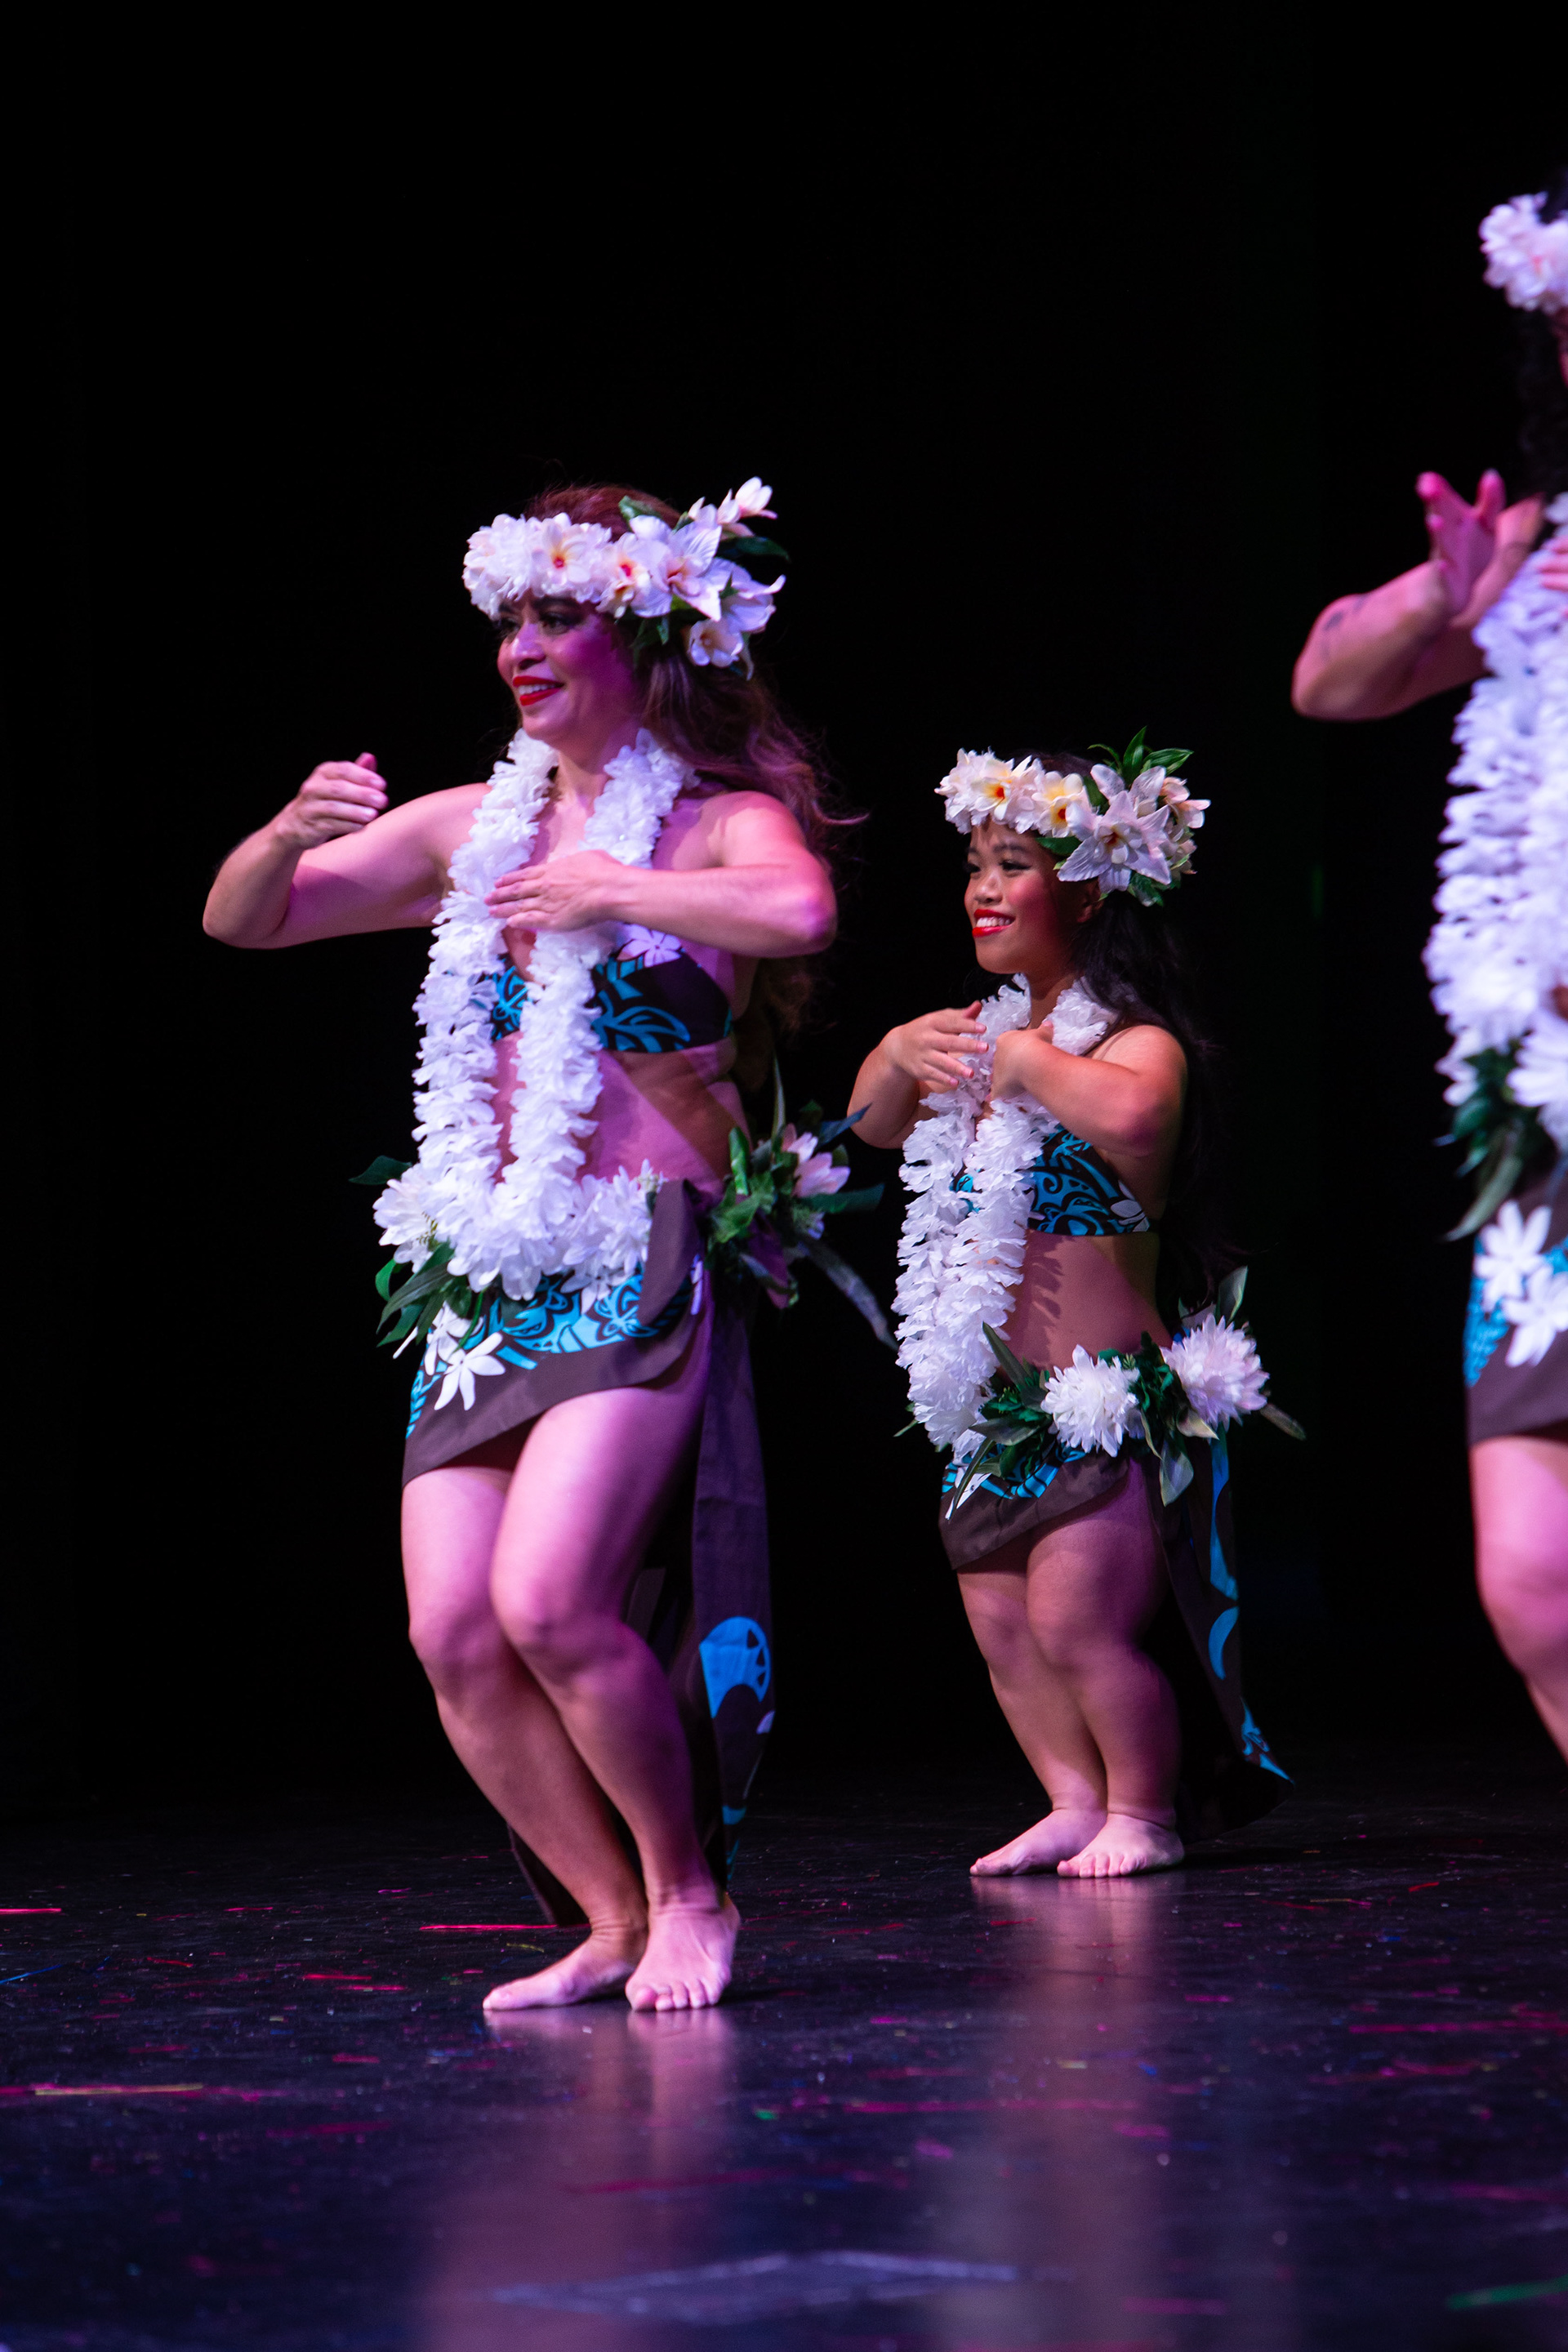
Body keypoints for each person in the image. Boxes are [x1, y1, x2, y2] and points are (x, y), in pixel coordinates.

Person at [204, 479, 837, 2009]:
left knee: (550, 1601)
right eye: (511, 619)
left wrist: (617, 885)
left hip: (638, 1252)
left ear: (647, 639)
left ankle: (690, 1896)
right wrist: (285, 833)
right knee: (453, 1630)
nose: (521, 647)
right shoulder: (466, 829)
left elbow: (800, 911)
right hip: (492, 1272)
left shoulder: (714, 817)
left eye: (559, 616)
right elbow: (246, 921)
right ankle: (609, 1919)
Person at [850, 743, 1291, 1879]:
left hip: (1105, 1402)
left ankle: (1143, 1811)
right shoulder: (978, 1032)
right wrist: (898, 1052)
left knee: (1077, 1623)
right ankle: (1070, 1797)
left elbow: (1136, 1119)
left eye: (1013, 865)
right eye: (975, 867)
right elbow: (873, 1124)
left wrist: (1029, 1062)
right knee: (1005, 1630)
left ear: (1088, 892)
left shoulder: (1136, 1042)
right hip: (995, 1415)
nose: (983, 890)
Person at [1292, 182, 1568, 1757]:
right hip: (1549, 1133)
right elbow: (1328, 681)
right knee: (1534, 1581)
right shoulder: (1540, 551)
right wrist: (1450, 596)